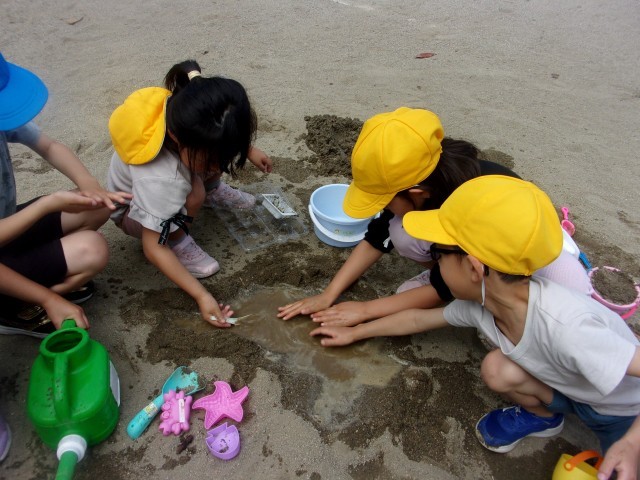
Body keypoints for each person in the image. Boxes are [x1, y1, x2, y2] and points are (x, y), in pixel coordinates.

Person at [311, 175, 640, 479]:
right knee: (496, 368)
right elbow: (416, 319)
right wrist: (356, 331)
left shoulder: (568, 327)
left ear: (473, 268)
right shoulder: (483, 304)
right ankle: (545, 418)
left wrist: (631, 444)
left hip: (621, 413)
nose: (435, 265)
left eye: (439, 255)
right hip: (568, 388)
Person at [277, 107, 591, 326]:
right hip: (475, 257)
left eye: (385, 199)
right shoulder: (428, 174)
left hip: (524, 256)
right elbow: (377, 235)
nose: (381, 208)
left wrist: (364, 310)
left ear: (416, 192)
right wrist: (329, 295)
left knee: (515, 313)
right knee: (399, 231)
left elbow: (446, 284)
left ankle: (478, 291)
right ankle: (462, 282)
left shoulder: (469, 207)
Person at [106, 59, 272, 328]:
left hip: (174, 173)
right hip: (134, 212)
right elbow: (153, 247)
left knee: (204, 170)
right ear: (176, 137)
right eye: (212, 160)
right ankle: (179, 240)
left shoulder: (187, 107)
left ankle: (213, 190)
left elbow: (218, 130)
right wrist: (201, 295)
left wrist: (247, 149)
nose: (219, 166)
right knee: (194, 193)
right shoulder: (162, 179)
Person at [0, 52, 130, 339]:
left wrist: (89, 184)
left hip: (7, 226)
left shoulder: (3, 116)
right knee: (93, 249)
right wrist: (49, 298)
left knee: (95, 204)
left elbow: (49, 146)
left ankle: (40, 284)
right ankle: (16, 309)